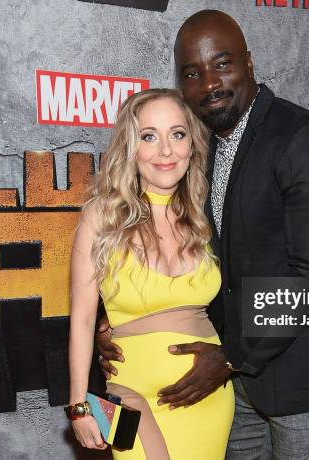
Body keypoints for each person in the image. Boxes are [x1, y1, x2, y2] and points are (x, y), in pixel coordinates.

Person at [97, 10, 309, 460]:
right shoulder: (197, 154)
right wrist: (126, 327)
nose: (209, 83)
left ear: (249, 62)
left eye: (222, 64)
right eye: (193, 72)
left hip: (304, 383)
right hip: (236, 385)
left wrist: (228, 357)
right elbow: (196, 265)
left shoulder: (305, 139)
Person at [67, 88, 234, 459]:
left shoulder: (207, 217)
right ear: (131, 147)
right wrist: (78, 405)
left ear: (192, 146)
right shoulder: (102, 216)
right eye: (149, 136)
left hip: (208, 400)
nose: (165, 150)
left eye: (177, 134)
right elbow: (81, 318)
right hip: (131, 399)